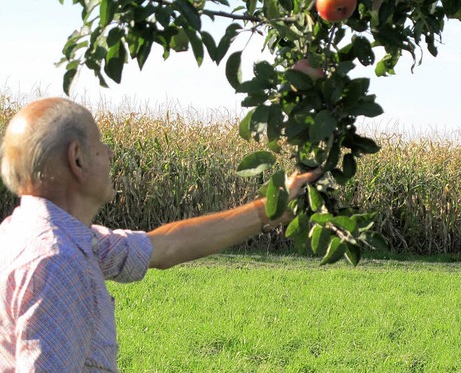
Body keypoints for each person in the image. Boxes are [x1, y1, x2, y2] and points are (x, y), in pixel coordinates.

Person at [0, 97, 320, 371]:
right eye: (100, 144)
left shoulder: (32, 234)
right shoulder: (57, 261)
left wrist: (269, 209)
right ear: (78, 158)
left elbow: (165, 246)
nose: (110, 153)